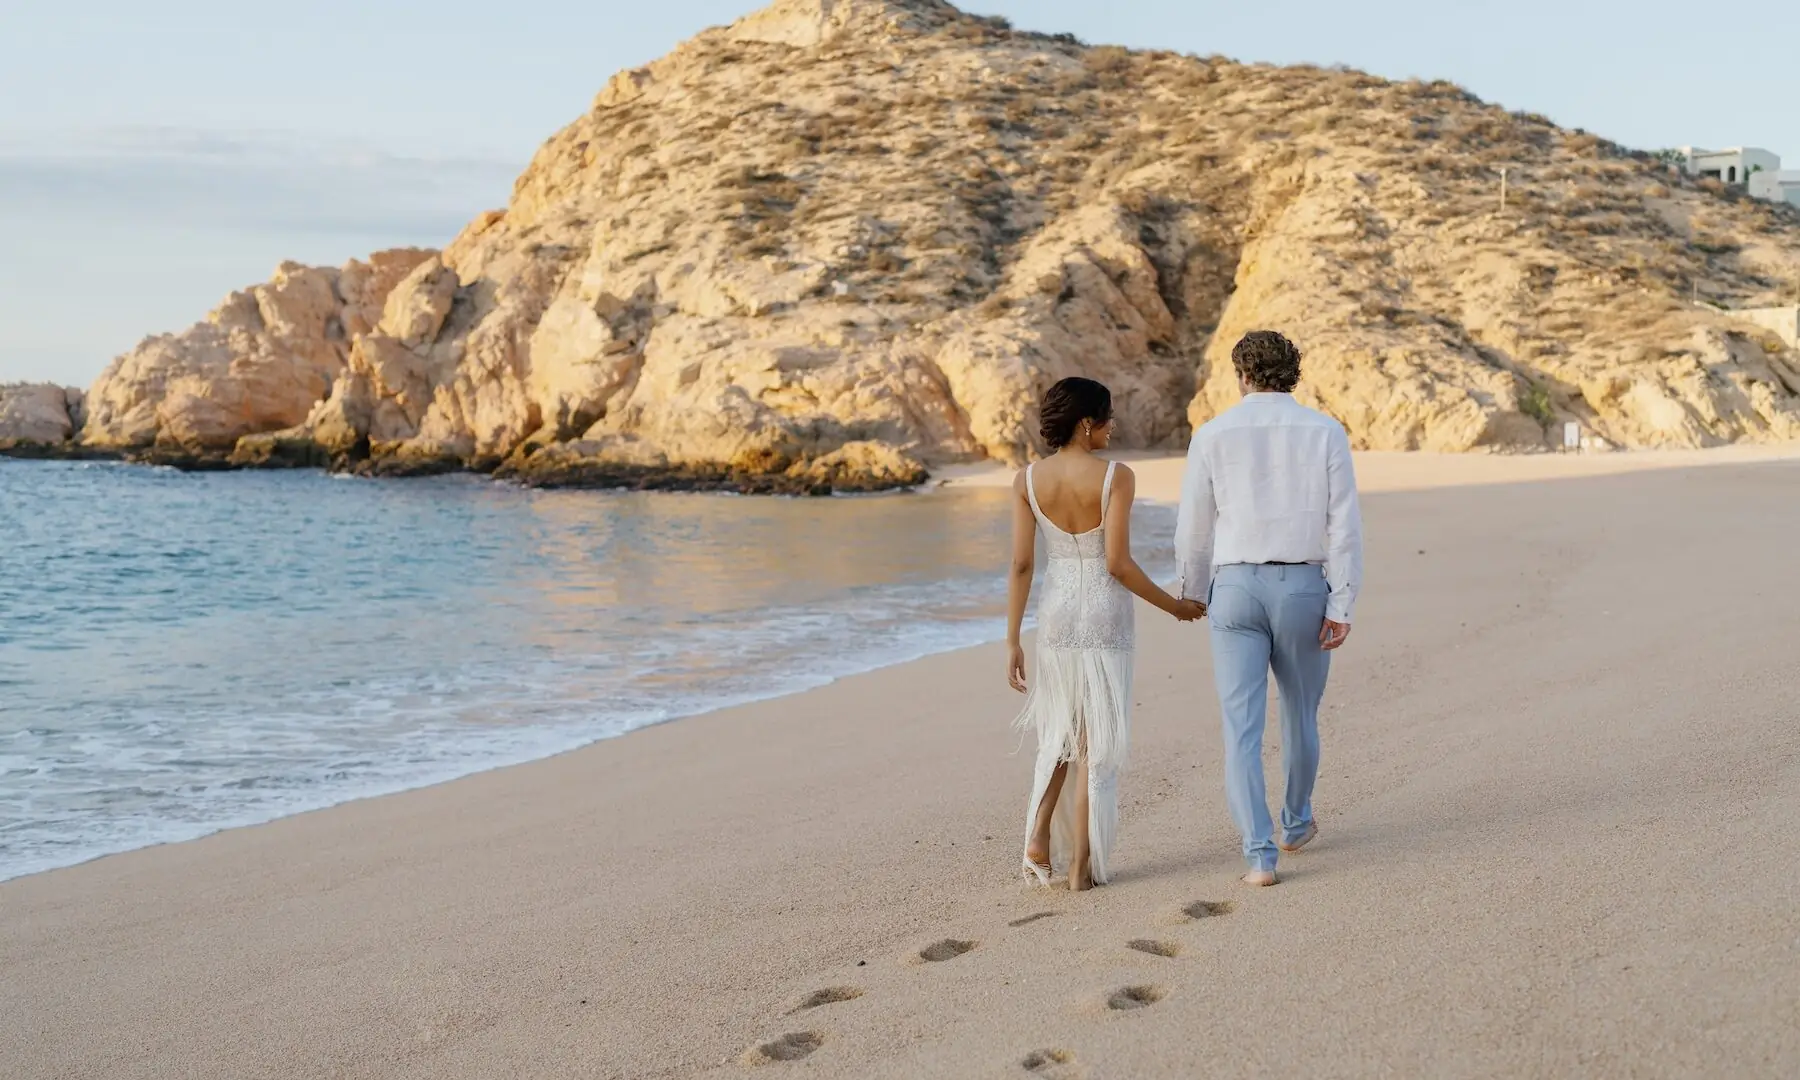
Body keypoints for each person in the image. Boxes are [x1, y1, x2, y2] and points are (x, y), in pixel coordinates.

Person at [1175, 331, 1364, 887]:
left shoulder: (1212, 434)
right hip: (1303, 586)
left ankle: (1259, 856)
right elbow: (1344, 525)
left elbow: (1194, 527)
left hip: (1234, 588)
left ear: (1242, 375)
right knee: (1300, 714)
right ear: (1293, 374)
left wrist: (1192, 591)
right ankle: (1296, 823)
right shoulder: (1325, 431)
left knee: (1241, 727)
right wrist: (1343, 601)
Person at [1007, 377, 1205, 891]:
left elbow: (1022, 564)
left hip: (1056, 617)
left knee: (1059, 732)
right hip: (1104, 618)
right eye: (1107, 416)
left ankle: (1037, 839)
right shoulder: (1117, 476)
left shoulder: (1027, 480)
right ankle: (1080, 867)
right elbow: (1116, 563)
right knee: (1095, 741)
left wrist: (1012, 638)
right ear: (1085, 422)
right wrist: (1175, 607)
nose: (1112, 426)